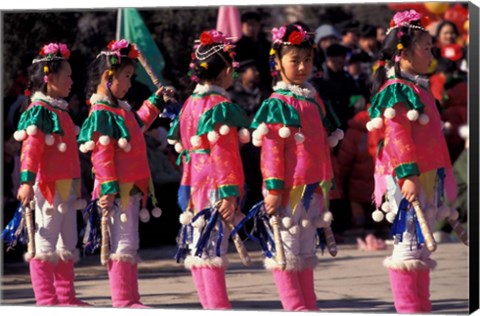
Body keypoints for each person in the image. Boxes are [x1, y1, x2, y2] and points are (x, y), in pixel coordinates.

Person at [366, 10, 457, 313]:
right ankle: (409, 307)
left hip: (426, 174)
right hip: (408, 177)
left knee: (420, 245)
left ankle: (421, 307)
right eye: (426, 47)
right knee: (407, 245)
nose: (432, 52)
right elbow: (397, 136)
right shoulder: (396, 90)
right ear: (403, 52)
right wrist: (407, 174)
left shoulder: (418, 85)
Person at [249, 23, 340, 311]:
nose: (302, 67)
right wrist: (274, 187)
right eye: (294, 60)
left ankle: (308, 304)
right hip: (288, 189)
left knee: (305, 249)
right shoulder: (278, 103)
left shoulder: (313, 100)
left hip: (312, 186)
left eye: (307, 60)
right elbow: (272, 150)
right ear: (277, 63)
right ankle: (294, 306)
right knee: (287, 251)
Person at [77, 39, 171, 308]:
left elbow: (138, 123)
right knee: (122, 243)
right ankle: (123, 300)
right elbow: (102, 154)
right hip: (116, 190)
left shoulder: (120, 110)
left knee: (129, 242)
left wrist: (156, 101)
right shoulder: (102, 113)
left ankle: (130, 299)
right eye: (126, 77)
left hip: (129, 188)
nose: (129, 84)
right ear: (108, 78)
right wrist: (107, 188)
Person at [167, 29, 249, 309]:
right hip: (215, 183)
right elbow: (223, 152)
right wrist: (229, 192)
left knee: (199, 245)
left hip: (192, 182)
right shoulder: (219, 105)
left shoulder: (190, 103)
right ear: (227, 70)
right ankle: (217, 306)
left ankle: (209, 305)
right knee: (212, 247)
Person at [14, 43, 89, 306]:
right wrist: (26, 181)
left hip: (66, 187)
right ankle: (46, 300)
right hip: (47, 186)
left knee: (67, 241)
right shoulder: (39, 111)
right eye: (66, 75)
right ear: (50, 78)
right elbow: (31, 149)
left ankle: (66, 298)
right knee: (45, 243)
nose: (71, 80)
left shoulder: (60, 110)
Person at [234, 11, 272, 91]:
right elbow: (233, 73)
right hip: (242, 89)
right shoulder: (236, 47)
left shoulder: (267, 45)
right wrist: (241, 76)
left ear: (259, 26)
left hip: (266, 86)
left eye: (254, 24)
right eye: (248, 24)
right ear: (242, 26)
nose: (251, 28)